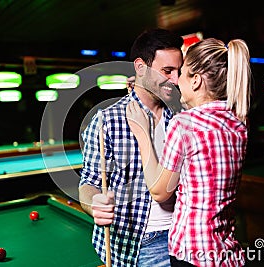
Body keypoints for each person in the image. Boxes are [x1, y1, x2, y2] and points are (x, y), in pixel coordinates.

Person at [126, 38, 251, 266]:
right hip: (227, 253)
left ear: (195, 81)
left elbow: (160, 192)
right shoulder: (239, 122)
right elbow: (203, 111)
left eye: (181, 73)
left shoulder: (184, 123)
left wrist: (142, 133)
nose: (175, 80)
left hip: (192, 253)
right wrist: (146, 84)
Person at [79, 28, 184, 266]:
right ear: (140, 68)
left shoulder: (183, 113)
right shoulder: (107, 119)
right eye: (167, 71)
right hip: (140, 243)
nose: (175, 80)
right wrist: (94, 202)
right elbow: (88, 183)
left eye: (179, 71)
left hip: (185, 234)